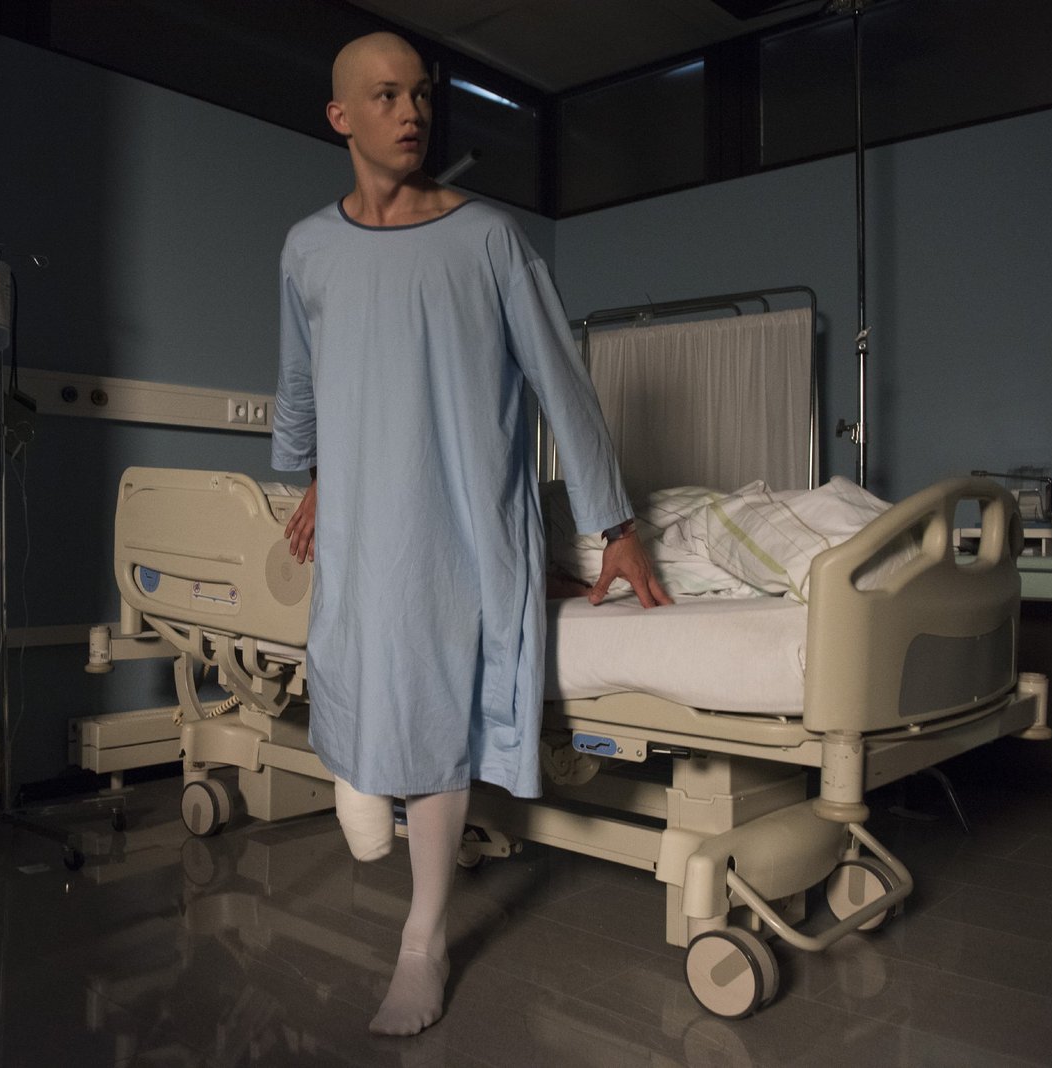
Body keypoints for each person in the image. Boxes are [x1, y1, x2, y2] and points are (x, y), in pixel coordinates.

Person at [269, 32, 671, 1036]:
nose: (412, 113)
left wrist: (614, 525)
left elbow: (561, 384)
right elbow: (302, 380)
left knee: (436, 702)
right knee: (349, 660)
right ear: (341, 117)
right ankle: (362, 780)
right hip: (361, 511)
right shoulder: (307, 249)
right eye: (386, 96)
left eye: (420, 95)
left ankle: (424, 939)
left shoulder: (488, 239)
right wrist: (310, 477)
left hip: (459, 516)